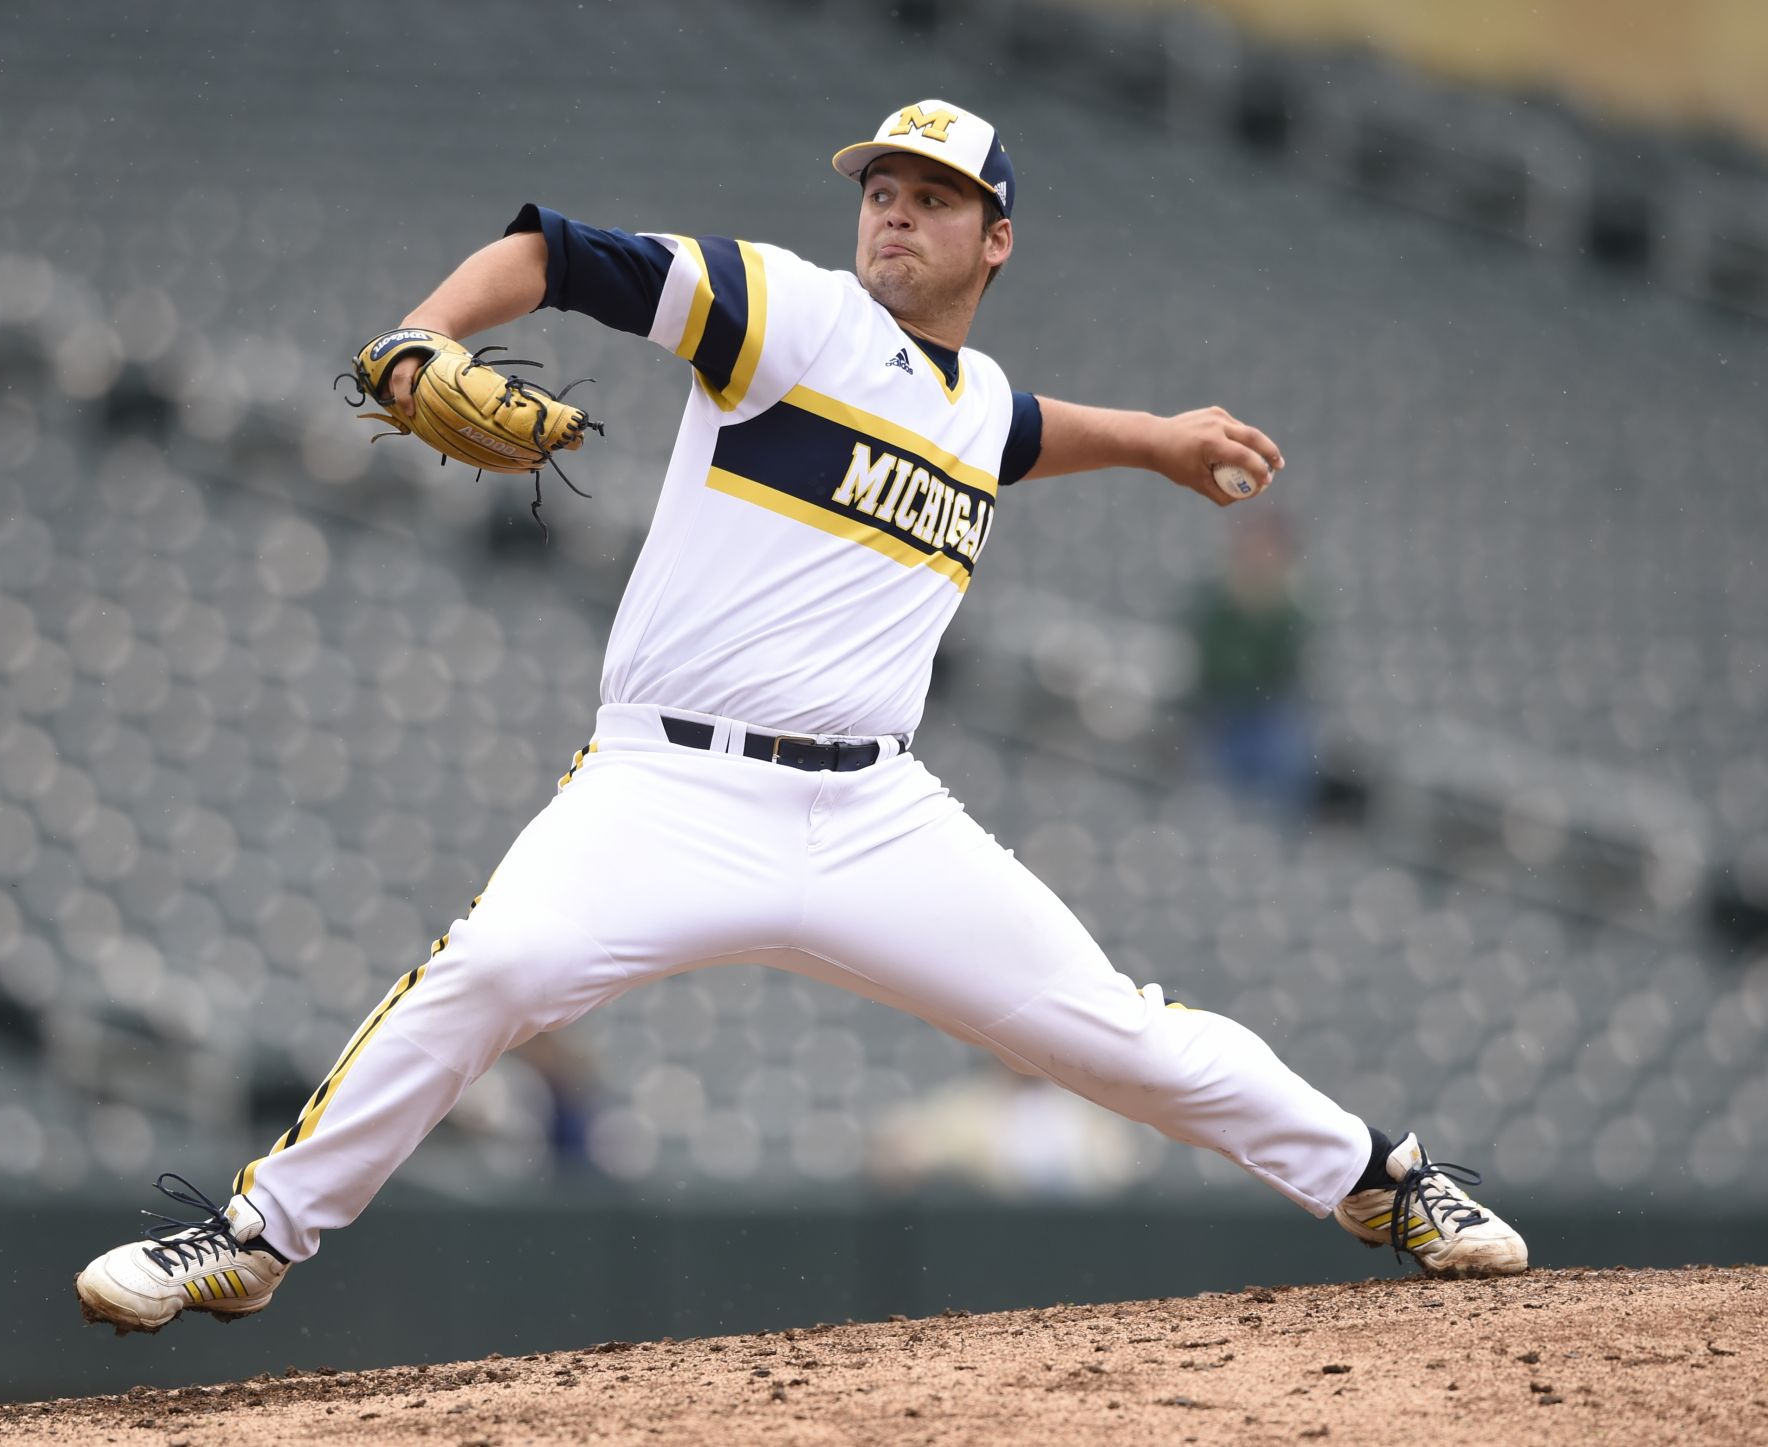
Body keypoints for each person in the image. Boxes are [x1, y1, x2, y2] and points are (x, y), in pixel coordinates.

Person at [75, 99, 1525, 1334]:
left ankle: (1384, 1179)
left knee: (1116, 1036)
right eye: (882, 191)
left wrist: (1161, 443)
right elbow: (557, 253)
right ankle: (256, 1236)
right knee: (497, 966)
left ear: (995, 239)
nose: (895, 215)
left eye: (935, 199)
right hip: (668, 788)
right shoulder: (788, 310)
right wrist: (418, 336)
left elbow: (1020, 431)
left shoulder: (978, 402)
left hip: (874, 813)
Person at [1182, 509, 1319, 819]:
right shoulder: (1216, 601)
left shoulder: (1291, 610)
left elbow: (1290, 669)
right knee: (1212, 796)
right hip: (1218, 713)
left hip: (1269, 716)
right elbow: (1209, 661)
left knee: (1283, 775)